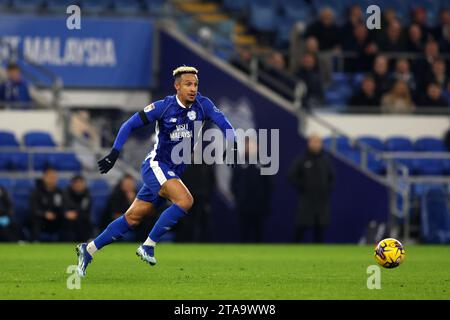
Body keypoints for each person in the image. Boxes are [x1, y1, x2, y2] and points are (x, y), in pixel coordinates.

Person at [76, 66, 237, 277]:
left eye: (195, 84)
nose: (193, 89)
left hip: (173, 172)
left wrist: (232, 146)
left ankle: (88, 250)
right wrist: (114, 153)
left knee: (133, 218)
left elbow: (226, 125)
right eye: (188, 84)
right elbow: (129, 124)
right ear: (177, 86)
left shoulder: (203, 105)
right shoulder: (163, 107)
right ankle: (148, 246)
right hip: (156, 165)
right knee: (185, 201)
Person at [289, 134, 335, 243]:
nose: (315, 144)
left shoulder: (325, 161)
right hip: (306, 200)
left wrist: (326, 188)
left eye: (318, 142)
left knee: (320, 230)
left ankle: (319, 254)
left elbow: (332, 178)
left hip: (321, 201)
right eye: (313, 142)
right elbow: (291, 176)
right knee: (301, 228)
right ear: (309, 143)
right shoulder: (302, 159)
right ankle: (293, 251)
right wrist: (303, 187)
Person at [231, 138, 271, 243]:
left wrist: (265, 200)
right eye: (249, 145)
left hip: (259, 204)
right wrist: (238, 197)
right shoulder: (240, 162)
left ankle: (260, 255)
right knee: (244, 232)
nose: (251, 147)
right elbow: (234, 182)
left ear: (258, 146)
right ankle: (242, 255)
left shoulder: (264, 162)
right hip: (243, 203)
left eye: (253, 145)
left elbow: (269, 183)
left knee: (259, 232)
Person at [29, 167, 64, 241]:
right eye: (50, 177)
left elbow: (64, 206)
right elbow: (33, 209)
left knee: (69, 221)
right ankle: (35, 242)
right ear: (44, 178)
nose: (53, 179)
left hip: (56, 219)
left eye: (54, 177)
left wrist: (62, 214)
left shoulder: (60, 192)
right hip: (42, 219)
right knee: (35, 221)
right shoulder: (36, 192)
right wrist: (44, 214)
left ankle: (69, 243)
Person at [61, 175, 92, 242]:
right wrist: (67, 214)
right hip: (68, 219)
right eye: (77, 183)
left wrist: (76, 213)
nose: (79, 185)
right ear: (72, 184)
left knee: (86, 222)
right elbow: (65, 207)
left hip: (81, 218)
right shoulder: (66, 193)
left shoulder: (87, 194)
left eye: (81, 183)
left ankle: (88, 243)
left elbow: (86, 209)